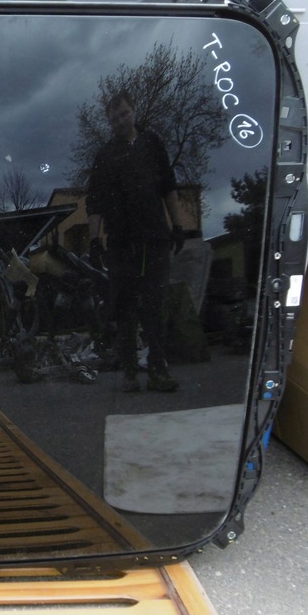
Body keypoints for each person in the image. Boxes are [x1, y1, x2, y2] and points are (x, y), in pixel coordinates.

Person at [86, 90, 185, 393]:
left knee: (156, 307)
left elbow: (169, 187)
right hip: (120, 244)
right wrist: (94, 240)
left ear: (134, 111)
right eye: (114, 118)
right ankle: (130, 372)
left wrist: (178, 225)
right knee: (125, 309)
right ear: (109, 122)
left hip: (155, 238)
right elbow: (95, 202)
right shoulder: (105, 156)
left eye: (124, 114)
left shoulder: (152, 143)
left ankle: (158, 370)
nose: (120, 120)